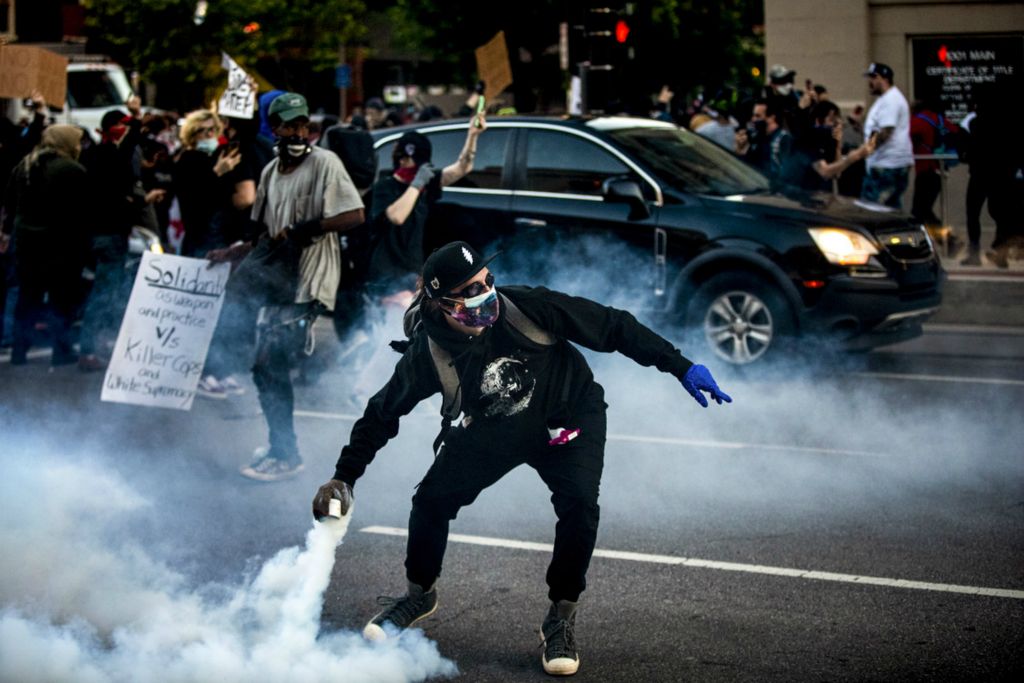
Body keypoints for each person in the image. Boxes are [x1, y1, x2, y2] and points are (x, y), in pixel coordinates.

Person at [311, 240, 732, 677]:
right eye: (471, 289)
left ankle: (561, 617)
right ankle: (419, 593)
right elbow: (381, 415)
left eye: (487, 281)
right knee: (431, 501)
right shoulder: (428, 354)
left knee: (580, 507)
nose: (487, 292)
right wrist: (344, 477)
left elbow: (614, 327)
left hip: (567, 418)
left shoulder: (528, 306)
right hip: (494, 429)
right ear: (443, 305)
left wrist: (680, 366)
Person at [206, 92, 364, 481]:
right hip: (279, 282)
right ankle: (280, 444)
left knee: (271, 363)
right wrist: (234, 251)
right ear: (274, 128)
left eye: (303, 125)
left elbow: (354, 214)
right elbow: (265, 233)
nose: (298, 132)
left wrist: (311, 227)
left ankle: (286, 453)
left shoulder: (325, 163)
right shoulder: (271, 173)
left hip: (309, 282)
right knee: (265, 368)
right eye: (289, 125)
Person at [78, 99, 157, 371]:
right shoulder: (104, 155)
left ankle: (97, 345)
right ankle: (88, 349)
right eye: (120, 127)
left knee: (108, 293)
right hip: (108, 234)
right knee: (104, 293)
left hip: (106, 233)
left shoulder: (96, 156)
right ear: (110, 130)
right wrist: (135, 120)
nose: (124, 132)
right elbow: (122, 159)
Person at [1, 125, 90, 367]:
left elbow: (9, 203)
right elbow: (80, 214)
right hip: (60, 246)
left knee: (28, 296)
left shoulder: (25, 165)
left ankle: (20, 349)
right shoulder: (72, 169)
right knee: (62, 299)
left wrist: (7, 233)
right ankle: (61, 350)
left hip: (27, 244)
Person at [860, 63, 914, 209]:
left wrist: (865, 150)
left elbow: (886, 132)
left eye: (873, 77)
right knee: (890, 209)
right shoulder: (887, 99)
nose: (869, 82)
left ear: (884, 78)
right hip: (889, 164)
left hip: (886, 165)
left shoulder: (891, 100)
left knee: (873, 210)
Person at [909, 100, 960, 226]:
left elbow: (905, 141)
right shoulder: (940, 120)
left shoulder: (916, 122)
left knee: (919, 211)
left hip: (925, 170)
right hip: (940, 169)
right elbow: (957, 132)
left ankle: (948, 240)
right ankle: (947, 240)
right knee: (924, 210)